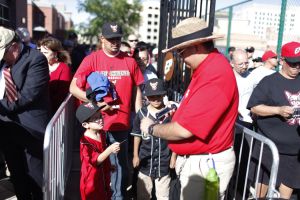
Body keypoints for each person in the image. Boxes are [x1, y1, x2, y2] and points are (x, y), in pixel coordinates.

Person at [140, 17, 238, 200]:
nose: (179, 56)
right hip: (198, 161)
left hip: (205, 165)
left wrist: (151, 128)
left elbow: (184, 130)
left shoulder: (215, 74)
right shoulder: (206, 68)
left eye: (180, 51)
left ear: (197, 46)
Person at [69, 22, 144, 199]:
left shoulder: (130, 61)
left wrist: (140, 116)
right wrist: (96, 102)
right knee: (98, 166)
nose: (115, 42)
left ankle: (118, 197)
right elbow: (73, 88)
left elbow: (137, 90)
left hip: (121, 124)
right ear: (102, 39)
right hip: (97, 126)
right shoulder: (91, 59)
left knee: (120, 167)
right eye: (111, 39)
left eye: (117, 38)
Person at [0, 26, 50, 199]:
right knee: (17, 175)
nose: (3, 59)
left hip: (31, 130)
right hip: (6, 128)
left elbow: (28, 95)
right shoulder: (3, 62)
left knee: (35, 177)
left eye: (3, 53)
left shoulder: (36, 59)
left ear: (14, 46)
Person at [247, 41, 300, 199]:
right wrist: (278, 110)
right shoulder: (269, 82)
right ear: (282, 61)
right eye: (293, 63)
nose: (297, 67)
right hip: (269, 148)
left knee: (286, 196)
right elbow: (254, 107)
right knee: (260, 195)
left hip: (294, 151)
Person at [131, 78, 176, 200]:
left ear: (164, 94)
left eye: (159, 96)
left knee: (163, 196)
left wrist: (173, 157)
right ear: (146, 97)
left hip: (164, 162)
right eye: (151, 97)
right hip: (145, 161)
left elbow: (176, 137)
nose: (155, 99)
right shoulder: (141, 113)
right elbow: (137, 134)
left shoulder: (170, 113)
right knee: (143, 194)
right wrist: (135, 155)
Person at [76, 102, 120, 200]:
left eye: (100, 116)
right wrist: (110, 150)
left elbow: (102, 154)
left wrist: (108, 166)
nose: (100, 120)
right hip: (91, 182)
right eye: (95, 118)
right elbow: (94, 161)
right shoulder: (85, 142)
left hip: (103, 177)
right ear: (85, 124)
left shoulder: (101, 133)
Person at [39, 37, 72, 115]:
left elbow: (61, 95)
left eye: (45, 53)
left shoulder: (64, 68)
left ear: (55, 53)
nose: (41, 55)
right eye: (41, 52)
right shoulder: (38, 66)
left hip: (54, 112)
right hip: (38, 110)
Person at [231, 49, 252, 128]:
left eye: (246, 63)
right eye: (240, 64)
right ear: (232, 63)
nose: (244, 66)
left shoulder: (253, 77)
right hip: (232, 121)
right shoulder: (227, 78)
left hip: (247, 121)